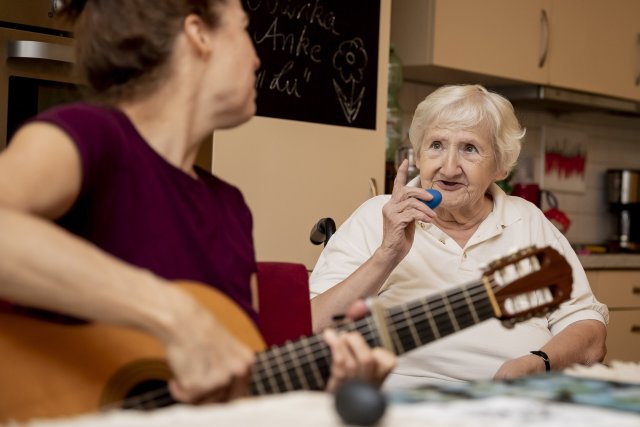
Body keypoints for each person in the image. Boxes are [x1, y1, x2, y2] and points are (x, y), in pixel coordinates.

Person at [0, 0, 394, 407]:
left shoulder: (230, 207)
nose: (258, 58)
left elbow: (234, 379)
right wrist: (172, 313)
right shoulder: (91, 135)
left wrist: (321, 394)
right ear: (198, 34)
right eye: (243, 29)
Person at [309, 84, 608, 390]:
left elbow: (590, 335)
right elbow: (311, 327)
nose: (449, 168)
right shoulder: (377, 216)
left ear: (500, 166)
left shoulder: (527, 220)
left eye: (469, 149)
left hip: (513, 405)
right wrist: (386, 254)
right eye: (436, 145)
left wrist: (539, 362)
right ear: (419, 154)